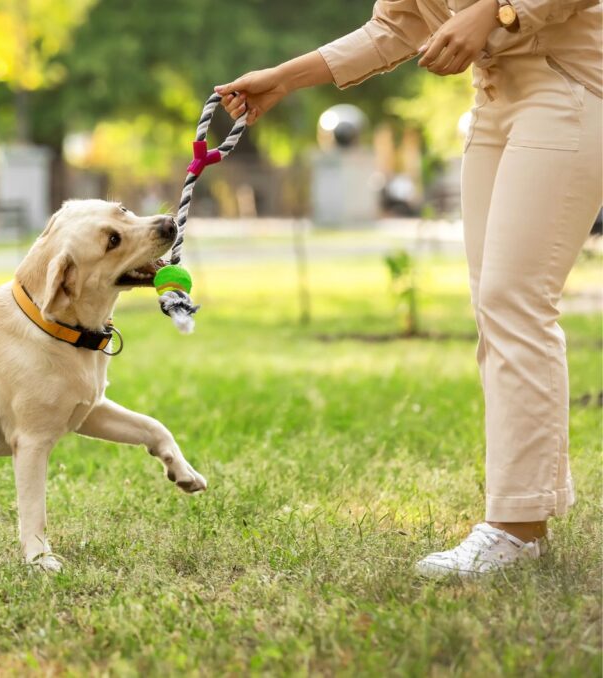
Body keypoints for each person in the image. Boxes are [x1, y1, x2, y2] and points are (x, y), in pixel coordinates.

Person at [215, 0, 602, 577]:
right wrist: (283, 79)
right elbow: (396, 25)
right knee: (496, 311)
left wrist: (497, 13)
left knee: (513, 301)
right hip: (494, 101)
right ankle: (528, 512)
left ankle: (515, 529)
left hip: (568, 88)